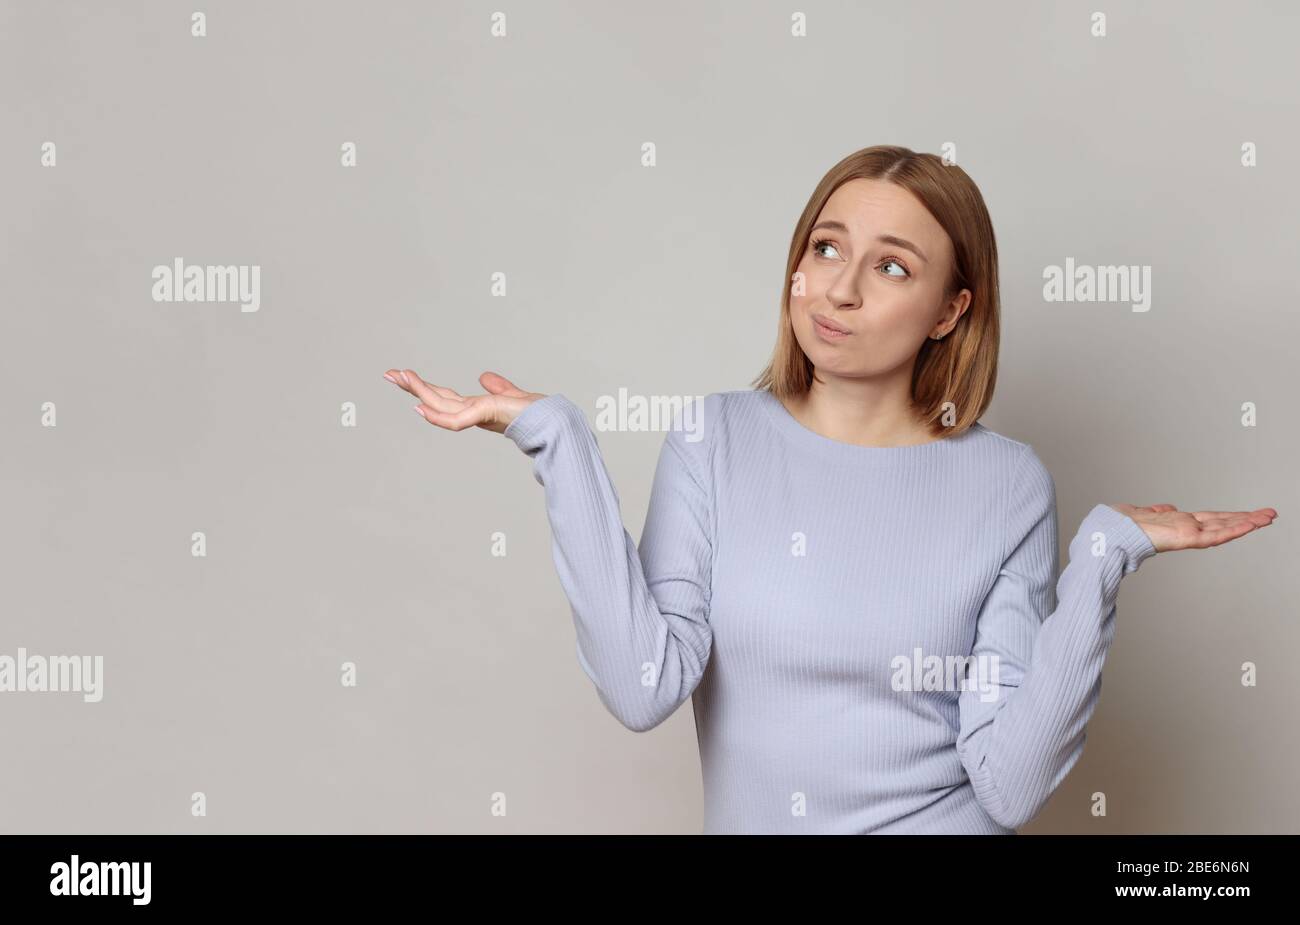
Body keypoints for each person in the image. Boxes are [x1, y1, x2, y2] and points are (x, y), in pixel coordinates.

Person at [383, 145, 1276, 834]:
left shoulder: (1009, 485)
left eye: (891, 266)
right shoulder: (715, 438)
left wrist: (1103, 555)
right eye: (826, 246)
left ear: (951, 310)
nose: (839, 289)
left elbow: (1007, 785)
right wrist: (558, 442)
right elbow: (641, 682)